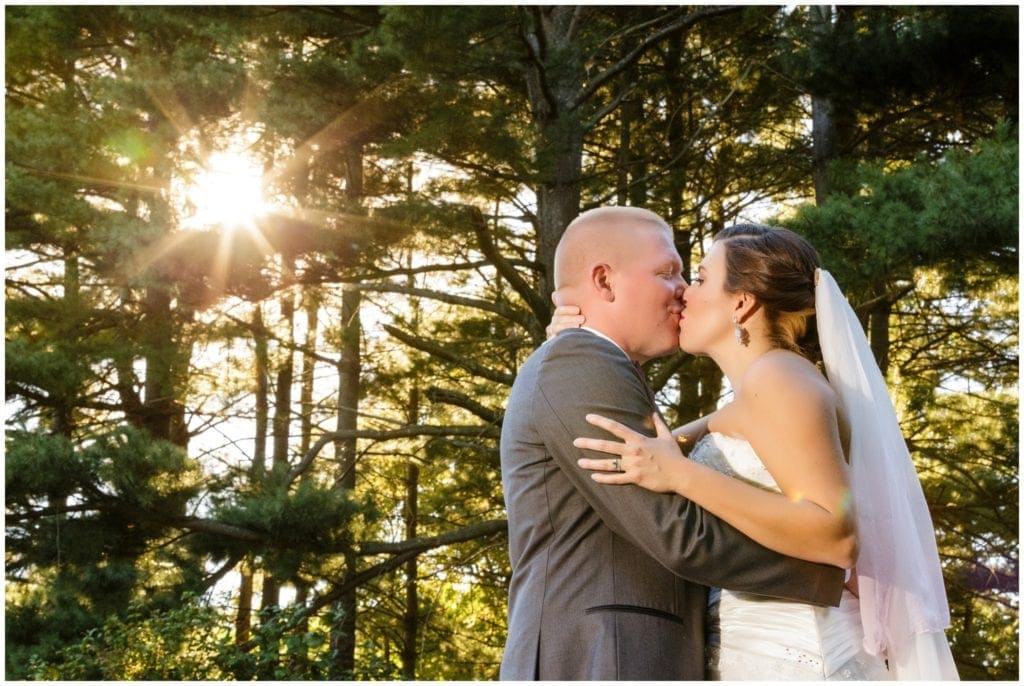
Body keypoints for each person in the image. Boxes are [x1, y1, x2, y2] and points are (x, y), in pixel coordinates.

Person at [557, 223, 958, 680]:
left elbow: (836, 535)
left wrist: (683, 477)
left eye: (702, 278)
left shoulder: (780, 379)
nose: (685, 292)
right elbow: (657, 445)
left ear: (743, 302)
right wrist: (588, 346)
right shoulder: (756, 393)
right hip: (755, 653)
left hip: (800, 656)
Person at [499, 207, 846, 681]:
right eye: (669, 273)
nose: (683, 289)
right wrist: (824, 573)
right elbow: (676, 533)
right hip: (603, 655)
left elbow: (677, 459)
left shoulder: (593, 363)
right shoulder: (579, 359)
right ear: (604, 282)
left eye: (693, 276)